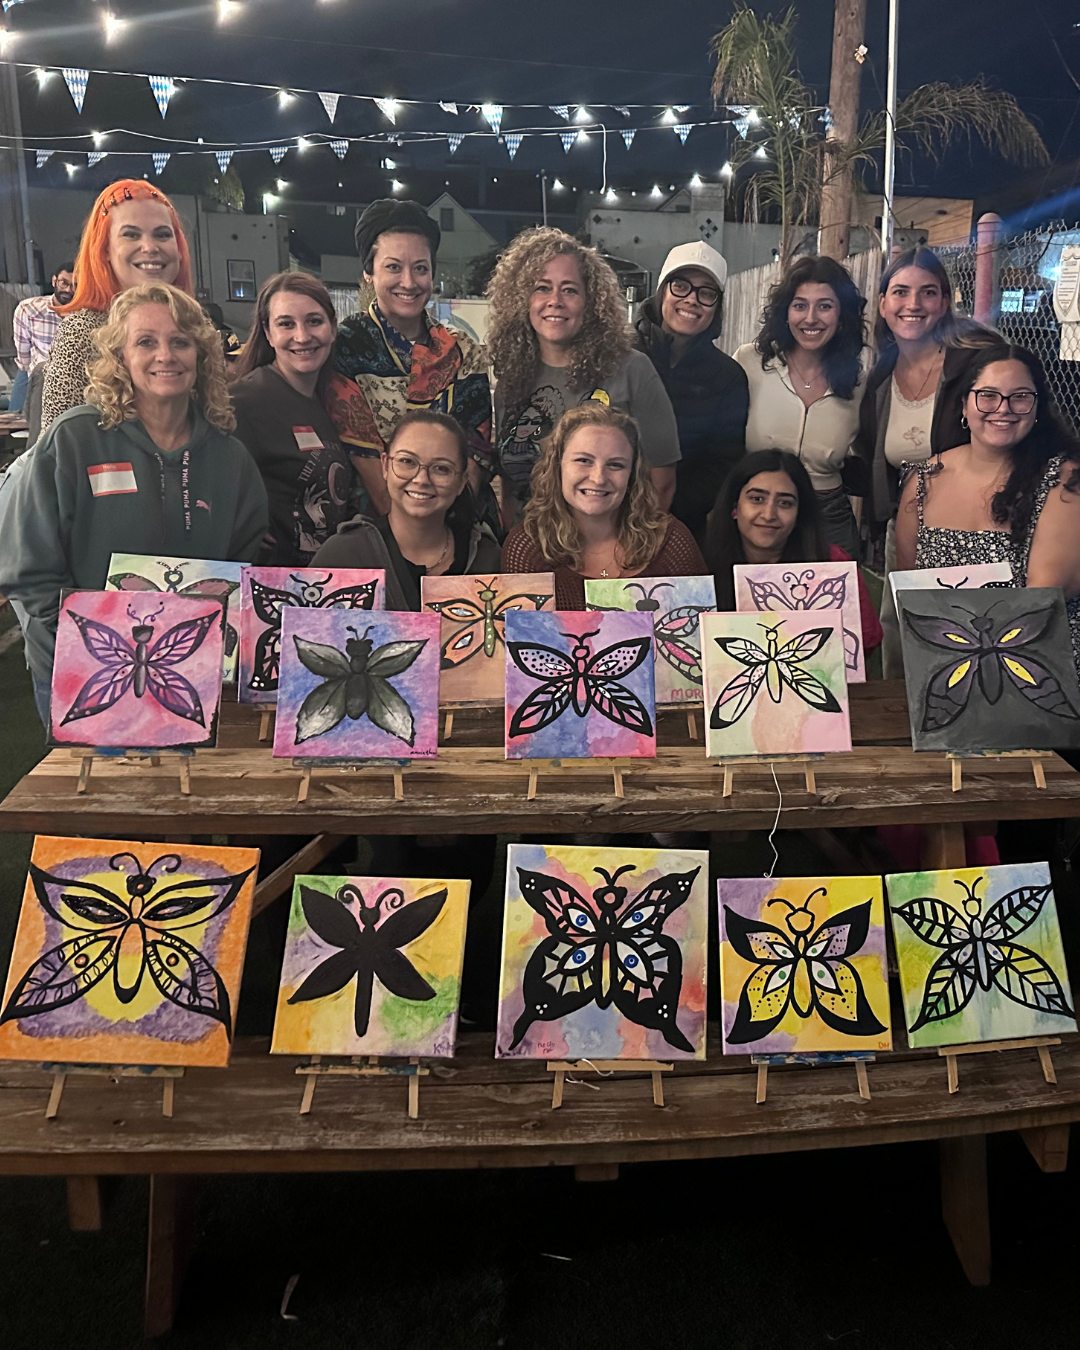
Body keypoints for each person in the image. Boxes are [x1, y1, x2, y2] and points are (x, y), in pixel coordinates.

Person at [0, 282, 268, 722]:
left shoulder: (229, 457)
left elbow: (241, 562)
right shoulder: (75, 440)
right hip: (84, 675)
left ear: (201, 355)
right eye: (145, 342)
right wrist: (78, 645)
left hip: (189, 674)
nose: (165, 355)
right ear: (120, 356)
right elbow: (28, 568)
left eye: (180, 342)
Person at [855, 247, 1002, 676]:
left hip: (975, 528)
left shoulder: (978, 363)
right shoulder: (880, 376)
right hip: (905, 528)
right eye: (900, 292)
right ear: (883, 303)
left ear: (944, 302)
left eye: (928, 292)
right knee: (902, 643)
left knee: (972, 645)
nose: (913, 304)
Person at [895, 344, 1080, 673]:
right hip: (944, 665)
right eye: (988, 395)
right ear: (964, 405)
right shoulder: (924, 479)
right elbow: (909, 591)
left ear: (1037, 407)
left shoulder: (1065, 482)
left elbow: (1044, 596)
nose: (1003, 409)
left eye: (1020, 397)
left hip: (1040, 670)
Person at [487, 227, 681, 518]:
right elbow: (510, 489)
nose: (555, 300)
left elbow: (661, 483)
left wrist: (628, 543)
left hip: (611, 543)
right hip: (528, 542)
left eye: (569, 290)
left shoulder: (632, 370)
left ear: (591, 303)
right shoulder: (511, 382)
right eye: (542, 288)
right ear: (521, 299)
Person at [324, 199, 495, 526]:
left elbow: (474, 451)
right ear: (368, 273)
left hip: (459, 521)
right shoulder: (345, 347)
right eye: (393, 267)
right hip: (373, 527)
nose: (409, 282)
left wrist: (451, 526)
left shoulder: (463, 351)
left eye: (420, 268)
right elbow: (366, 457)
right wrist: (413, 535)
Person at [501, 403, 705, 610]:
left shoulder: (670, 539)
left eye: (615, 465)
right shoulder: (527, 546)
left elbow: (698, 625)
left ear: (632, 475)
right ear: (556, 467)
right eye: (583, 460)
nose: (598, 478)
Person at [734, 255, 867, 558]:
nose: (810, 318)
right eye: (800, 305)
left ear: (842, 317)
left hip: (828, 517)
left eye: (825, 306)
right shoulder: (749, 363)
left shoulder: (858, 384)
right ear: (785, 313)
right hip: (759, 513)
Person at [40, 181, 193, 435]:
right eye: (131, 234)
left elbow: (216, 418)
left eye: (162, 235)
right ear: (105, 250)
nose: (150, 247)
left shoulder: (196, 324)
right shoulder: (80, 333)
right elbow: (55, 444)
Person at [313, 409, 500, 611]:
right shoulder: (343, 555)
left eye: (441, 468)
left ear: (461, 482)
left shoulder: (487, 558)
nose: (422, 479)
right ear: (385, 466)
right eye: (407, 462)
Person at [231, 272, 359, 566]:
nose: (302, 336)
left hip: (324, 575)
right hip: (272, 580)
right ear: (268, 332)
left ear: (333, 329)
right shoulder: (243, 402)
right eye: (286, 324)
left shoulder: (334, 398)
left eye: (314, 321)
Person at [704, 449, 882, 654]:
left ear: (799, 514)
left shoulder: (832, 563)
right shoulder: (701, 566)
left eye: (785, 503)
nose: (769, 514)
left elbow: (864, 643)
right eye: (757, 499)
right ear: (734, 508)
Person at [633, 241, 749, 545]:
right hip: (603, 510)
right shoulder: (619, 355)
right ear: (662, 291)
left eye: (706, 293)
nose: (692, 300)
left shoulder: (727, 377)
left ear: (717, 306)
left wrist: (665, 512)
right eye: (681, 286)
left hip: (681, 526)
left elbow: (722, 463)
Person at [10, 261, 76, 413]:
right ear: (54, 281)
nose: (68, 290)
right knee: (19, 418)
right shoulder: (28, 309)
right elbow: (23, 354)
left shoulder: (86, 314)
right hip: (39, 375)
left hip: (72, 379)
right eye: (64, 283)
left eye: (75, 285)